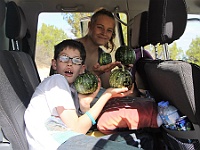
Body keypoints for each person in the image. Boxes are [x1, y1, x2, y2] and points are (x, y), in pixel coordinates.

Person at [24, 39, 140, 150]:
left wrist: (85, 104)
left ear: (82, 69)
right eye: (64, 58)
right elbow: (77, 129)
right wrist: (107, 95)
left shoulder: (71, 89)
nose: (69, 63)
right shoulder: (56, 81)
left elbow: (79, 126)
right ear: (54, 64)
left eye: (76, 60)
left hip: (69, 140)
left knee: (142, 139)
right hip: (57, 145)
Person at [77, 8, 121, 89]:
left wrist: (124, 70)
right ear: (90, 25)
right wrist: (95, 73)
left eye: (109, 30)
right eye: (100, 27)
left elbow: (107, 87)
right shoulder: (69, 48)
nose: (104, 33)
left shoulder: (104, 57)